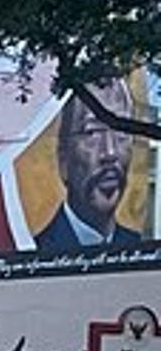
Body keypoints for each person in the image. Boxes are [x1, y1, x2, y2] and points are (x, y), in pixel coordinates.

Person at [35, 77, 143, 251]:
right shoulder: (36, 251)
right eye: (92, 132)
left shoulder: (139, 246)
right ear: (63, 159)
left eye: (122, 130)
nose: (110, 152)